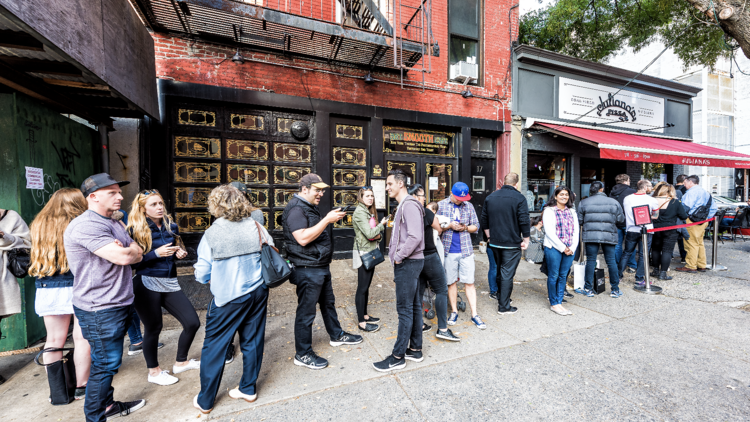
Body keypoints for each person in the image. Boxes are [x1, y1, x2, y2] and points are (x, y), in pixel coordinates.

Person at [64, 173, 145, 421]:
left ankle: (107, 406)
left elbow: (139, 251)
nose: (120, 196)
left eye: (119, 192)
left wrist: (130, 250)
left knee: (108, 363)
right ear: (93, 196)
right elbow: (124, 257)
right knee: (105, 365)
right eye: (112, 192)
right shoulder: (86, 225)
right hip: (100, 308)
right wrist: (128, 251)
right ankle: (96, 417)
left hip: (117, 303)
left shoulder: (113, 222)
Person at [192, 185, 275, 414]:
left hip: (229, 297)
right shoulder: (256, 226)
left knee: (214, 347)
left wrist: (213, 276)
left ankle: (206, 400)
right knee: (253, 340)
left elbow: (201, 273)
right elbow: (271, 249)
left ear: (215, 205)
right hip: (258, 291)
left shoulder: (212, 233)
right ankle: (248, 388)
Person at [282, 174, 362, 370]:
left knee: (328, 304)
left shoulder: (308, 208)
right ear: (304, 189)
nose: (321, 193)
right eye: (317, 190)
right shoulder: (296, 209)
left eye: (322, 190)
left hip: (318, 266)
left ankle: (336, 335)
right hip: (307, 269)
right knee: (306, 313)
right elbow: (302, 238)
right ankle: (302, 354)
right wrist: (327, 219)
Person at [127, 189, 200, 386]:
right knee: (153, 328)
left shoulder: (171, 226)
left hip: (169, 282)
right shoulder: (134, 230)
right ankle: (154, 372)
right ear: (143, 209)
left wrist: (179, 253)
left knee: (192, 322)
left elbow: (178, 247)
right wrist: (155, 254)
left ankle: (181, 362)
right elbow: (130, 264)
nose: (159, 208)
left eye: (160, 203)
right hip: (145, 283)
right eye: (153, 205)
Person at [27, 189, 91, 400]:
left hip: (47, 286)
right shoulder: (80, 223)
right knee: (82, 337)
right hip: (77, 284)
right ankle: (82, 386)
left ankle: (58, 391)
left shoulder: (39, 224)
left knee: (54, 340)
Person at [373, 170, 425, 372]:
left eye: (389, 184)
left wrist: (398, 256)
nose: (387, 188)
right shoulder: (406, 204)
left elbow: (414, 237)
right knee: (413, 307)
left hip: (408, 263)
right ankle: (416, 349)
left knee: (405, 310)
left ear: (401, 184)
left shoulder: (409, 205)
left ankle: (397, 356)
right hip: (411, 262)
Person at [409, 185, 458, 341]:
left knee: (418, 292)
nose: (424, 198)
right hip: (429, 255)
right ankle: (443, 329)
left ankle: (418, 325)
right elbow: (438, 229)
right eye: (423, 195)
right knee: (441, 290)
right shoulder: (426, 212)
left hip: (414, 258)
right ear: (416, 197)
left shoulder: (405, 212)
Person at [225, 181, 264, 365]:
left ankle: (230, 346)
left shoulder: (255, 213)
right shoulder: (225, 214)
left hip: (237, 271)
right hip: (249, 272)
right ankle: (240, 344)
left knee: (233, 311)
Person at [480, 173, 530, 316]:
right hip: (511, 243)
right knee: (507, 273)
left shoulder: (490, 197)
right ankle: (504, 306)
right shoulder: (520, 198)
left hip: (494, 242)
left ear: (502, 182)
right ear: (516, 184)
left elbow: (484, 219)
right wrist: (526, 239)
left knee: (499, 270)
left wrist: (489, 236)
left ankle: (502, 297)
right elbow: (524, 220)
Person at [437, 182, 485, 328]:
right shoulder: (441, 205)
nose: (461, 201)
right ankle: (454, 311)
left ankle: (474, 314)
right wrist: (449, 226)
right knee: (451, 282)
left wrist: (465, 228)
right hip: (448, 250)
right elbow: (436, 228)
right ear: (451, 193)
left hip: (466, 250)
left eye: (463, 199)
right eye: (458, 198)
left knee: (469, 282)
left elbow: (476, 226)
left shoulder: (468, 206)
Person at [577, 181, 625, 298]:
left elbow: (580, 220)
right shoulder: (614, 202)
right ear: (602, 189)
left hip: (591, 235)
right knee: (611, 261)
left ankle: (588, 289)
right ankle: (615, 289)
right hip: (609, 235)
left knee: (591, 261)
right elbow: (621, 220)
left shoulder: (583, 202)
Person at [351, 187, 387, 332]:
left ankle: (365, 315)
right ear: (361, 197)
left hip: (370, 250)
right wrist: (382, 226)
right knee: (362, 287)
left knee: (366, 287)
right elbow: (370, 233)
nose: (370, 198)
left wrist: (378, 233)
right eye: (367, 196)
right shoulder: (360, 212)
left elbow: (375, 236)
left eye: (372, 195)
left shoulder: (368, 211)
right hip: (363, 252)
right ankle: (361, 322)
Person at [542, 187, 579, 315]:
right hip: (554, 248)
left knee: (563, 276)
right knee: (554, 275)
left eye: (566, 194)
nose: (564, 197)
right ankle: (554, 303)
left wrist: (572, 248)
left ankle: (559, 301)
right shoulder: (549, 211)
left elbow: (576, 232)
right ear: (556, 196)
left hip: (570, 248)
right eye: (561, 194)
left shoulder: (572, 212)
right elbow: (549, 232)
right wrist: (563, 248)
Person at [619, 179, 659, 286]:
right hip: (647, 230)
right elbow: (656, 215)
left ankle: (618, 276)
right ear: (645, 187)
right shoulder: (652, 200)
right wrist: (645, 216)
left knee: (627, 252)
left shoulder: (627, 198)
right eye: (650, 186)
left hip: (631, 229)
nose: (652, 188)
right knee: (643, 254)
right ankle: (639, 278)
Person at [676, 175, 718, 273]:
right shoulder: (706, 193)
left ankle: (691, 265)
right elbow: (714, 208)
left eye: (685, 183)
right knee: (699, 243)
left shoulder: (691, 193)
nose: (684, 185)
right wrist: (706, 218)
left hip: (691, 221)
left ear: (690, 182)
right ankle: (701, 264)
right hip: (703, 221)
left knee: (690, 243)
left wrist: (683, 218)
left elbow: (685, 208)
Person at [651, 184, 688, 280]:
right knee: (667, 251)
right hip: (670, 229)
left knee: (655, 250)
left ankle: (655, 270)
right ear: (671, 191)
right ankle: (663, 274)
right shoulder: (674, 202)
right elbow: (684, 216)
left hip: (654, 228)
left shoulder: (652, 200)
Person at [610, 174, 637, 273]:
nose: (630, 182)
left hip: (616, 221)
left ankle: (618, 265)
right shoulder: (631, 191)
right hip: (629, 221)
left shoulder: (612, 192)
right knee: (630, 244)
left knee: (617, 245)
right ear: (625, 181)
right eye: (629, 180)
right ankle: (631, 265)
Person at [674, 175, 688, 264]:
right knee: (682, 238)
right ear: (684, 181)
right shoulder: (685, 190)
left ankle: (670, 255)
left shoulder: (671, 188)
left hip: (671, 218)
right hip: (681, 217)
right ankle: (683, 256)